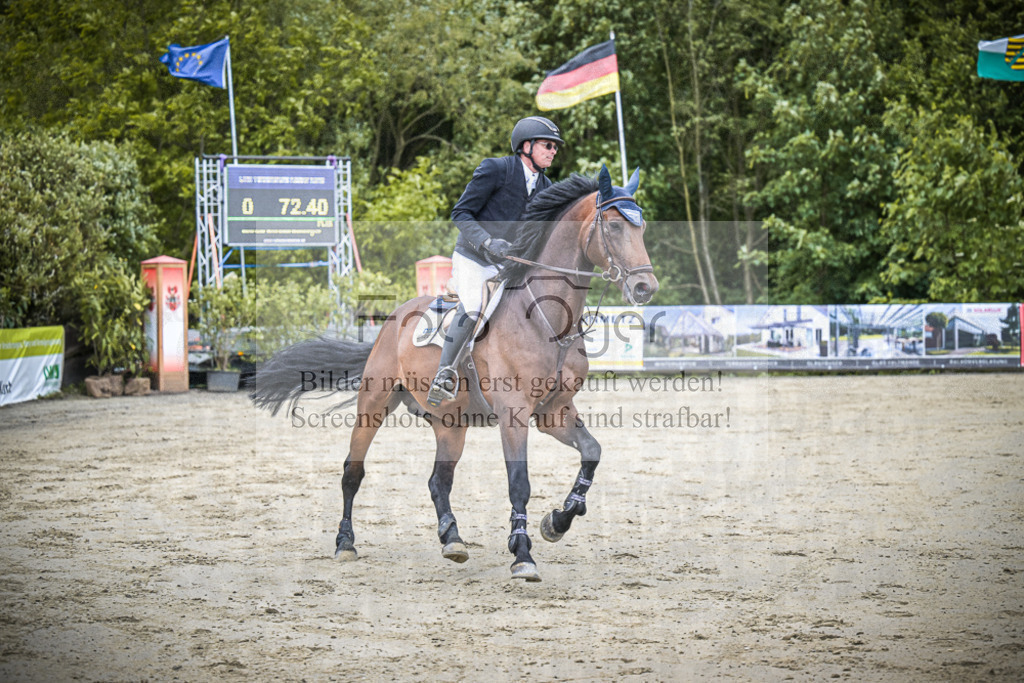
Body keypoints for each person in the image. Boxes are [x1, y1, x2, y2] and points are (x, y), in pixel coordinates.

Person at [426, 116, 565, 407]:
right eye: (548, 145)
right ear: (526, 146)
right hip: (474, 257)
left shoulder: (547, 186)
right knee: (475, 306)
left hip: (509, 265)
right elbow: (461, 213)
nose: (553, 151)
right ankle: (444, 374)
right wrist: (487, 241)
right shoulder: (496, 169)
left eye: (555, 147)